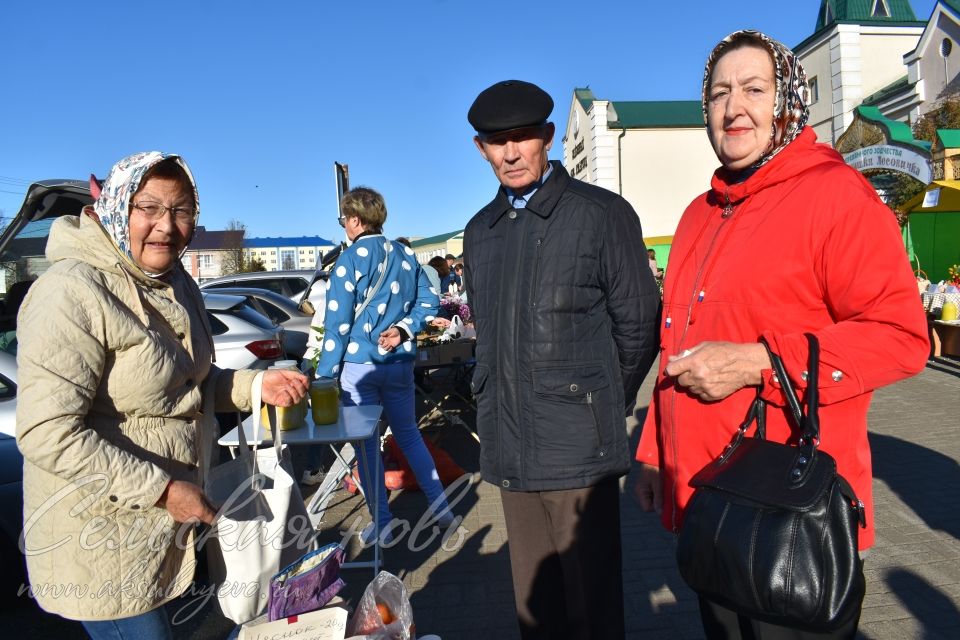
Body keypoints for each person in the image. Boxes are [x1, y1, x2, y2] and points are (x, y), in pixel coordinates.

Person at [632, 30, 929, 640]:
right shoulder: (698, 213)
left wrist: (758, 362)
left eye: (753, 89)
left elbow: (902, 337)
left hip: (791, 515)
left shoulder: (835, 195)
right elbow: (674, 347)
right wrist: (652, 456)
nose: (732, 107)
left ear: (788, 100)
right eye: (718, 93)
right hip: (708, 502)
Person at [15, 152, 308, 638]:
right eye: (148, 208)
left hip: (170, 532)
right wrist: (163, 490)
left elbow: (190, 383)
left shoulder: (177, 284)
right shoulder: (70, 292)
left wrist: (256, 385)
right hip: (103, 543)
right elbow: (47, 432)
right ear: (115, 208)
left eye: (182, 210)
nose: (166, 226)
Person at [464, 79, 660, 640]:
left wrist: (596, 401)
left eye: (523, 138)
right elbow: (490, 334)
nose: (510, 152)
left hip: (578, 450)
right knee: (536, 609)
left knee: (592, 610)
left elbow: (637, 324)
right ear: (480, 148)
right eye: (496, 142)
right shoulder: (481, 232)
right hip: (509, 446)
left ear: (547, 138)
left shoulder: (600, 214)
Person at [315, 187, 453, 545]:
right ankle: (442, 509)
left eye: (345, 218)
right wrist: (405, 329)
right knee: (409, 434)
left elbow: (338, 326)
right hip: (400, 363)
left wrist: (324, 375)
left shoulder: (349, 261)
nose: (344, 224)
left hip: (361, 367)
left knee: (366, 445)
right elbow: (430, 301)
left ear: (355, 220)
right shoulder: (406, 255)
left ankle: (384, 520)